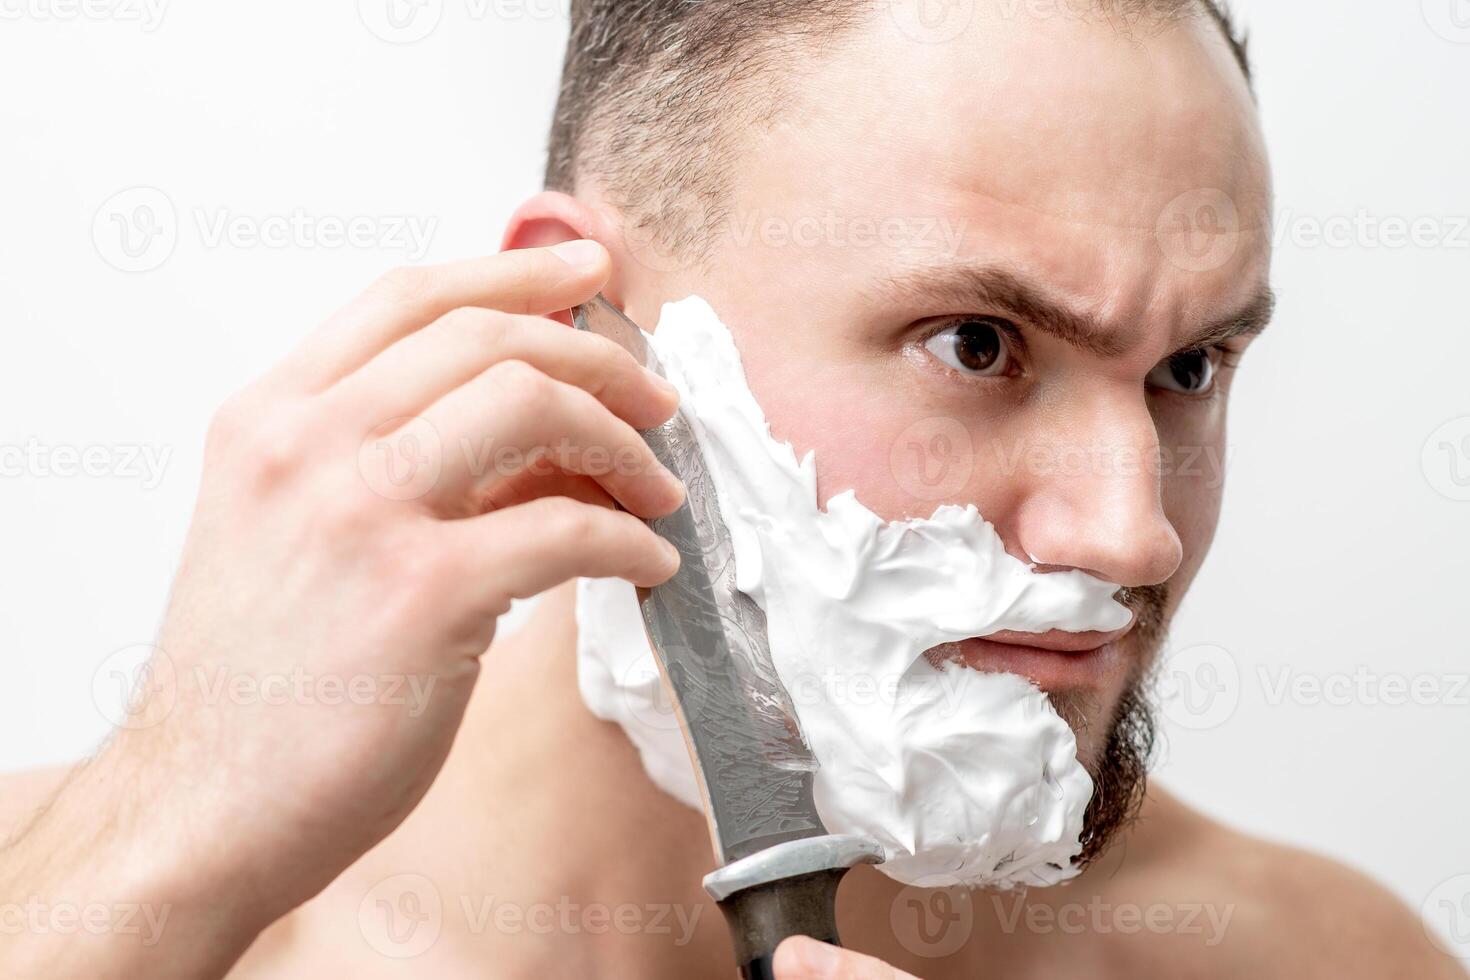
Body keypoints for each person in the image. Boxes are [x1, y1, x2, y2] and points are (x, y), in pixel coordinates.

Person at [2, 2, 1462, 977]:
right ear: (588, 335)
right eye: (977, 345)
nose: (1131, 528)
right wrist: (145, 848)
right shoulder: (113, 914)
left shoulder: (1316, 954)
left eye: (1191, 367)